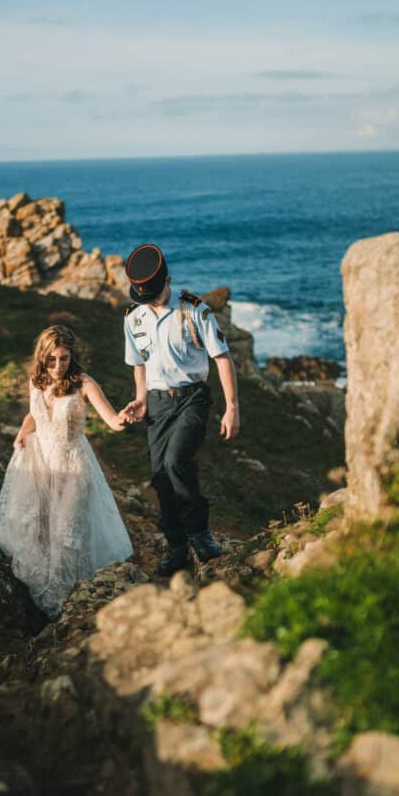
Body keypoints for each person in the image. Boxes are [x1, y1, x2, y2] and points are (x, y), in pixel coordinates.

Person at [0, 325, 133, 619]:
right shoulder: (36, 381)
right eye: (52, 359)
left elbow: (111, 420)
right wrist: (21, 433)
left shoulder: (84, 384)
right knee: (43, 530)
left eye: (64, 359)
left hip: (73, 466)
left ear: (72, 357)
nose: (58, 366)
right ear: (42, 357)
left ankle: (67, 603)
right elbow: (34, 413)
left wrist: (124, 418)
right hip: (41, 464)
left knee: (69, 533)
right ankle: (43, 604)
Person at [121, 243, 240, 576]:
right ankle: (177, 546)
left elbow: (222, 357)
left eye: (154, 293)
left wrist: (232, 407)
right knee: (160, 477)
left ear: (168, 280)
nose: (148, 299)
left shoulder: (194, 309)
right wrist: (140, 400)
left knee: (176, 461)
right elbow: (139, 365)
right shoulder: (133, 316)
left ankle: (200, 532)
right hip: (157, 403)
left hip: (192, 397)